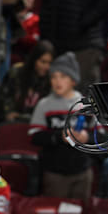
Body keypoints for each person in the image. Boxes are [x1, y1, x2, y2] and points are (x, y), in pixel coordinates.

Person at [30, 52, 95, 198]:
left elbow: (101, 135)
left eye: (63, 76)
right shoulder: (44, 105)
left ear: (73, 80)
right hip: (55, 173)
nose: (57, 81)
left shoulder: (86, 105)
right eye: (54, 77)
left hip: (82, 172)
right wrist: (59, 136)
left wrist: (87, 136)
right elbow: (34, 137)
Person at [0, 40, 55, 123]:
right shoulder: (16, 72)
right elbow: (4, 97)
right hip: (10, 123)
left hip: (35, 124)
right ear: (34, 60)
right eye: (43, 62)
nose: (47, 67)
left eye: (49, 63)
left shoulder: (51, 80)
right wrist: (9, 113)